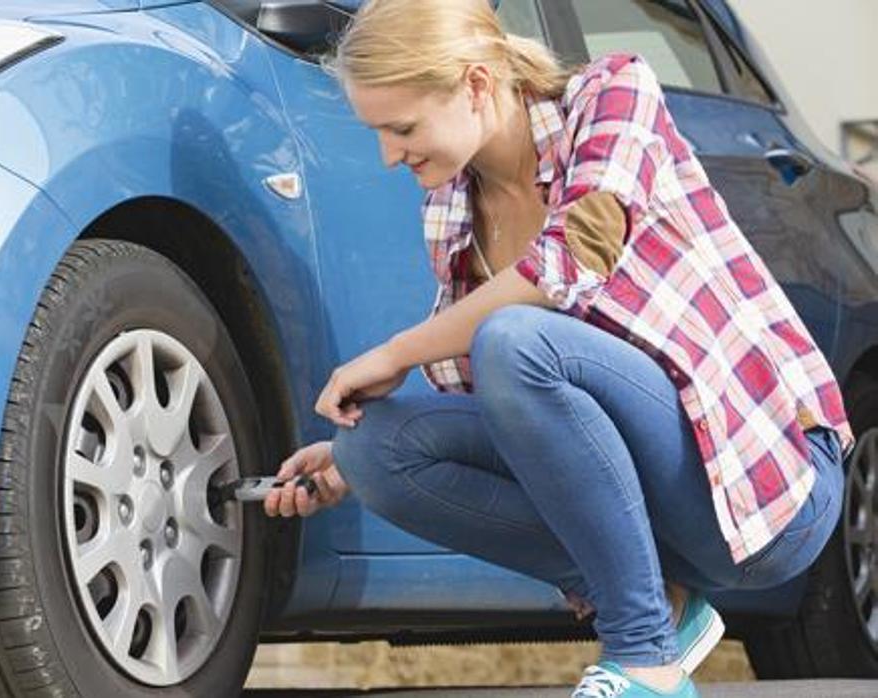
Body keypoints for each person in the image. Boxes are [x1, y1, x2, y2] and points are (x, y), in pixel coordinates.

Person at [262, 1, 855, 696]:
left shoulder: (612, 96)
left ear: (477, 85)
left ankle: (645, 660)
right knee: (374, 451)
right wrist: (348, 464)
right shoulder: (451, 207)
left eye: (402, 128)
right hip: (649, 495)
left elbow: (573, 259)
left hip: (766, 483)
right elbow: (511, 411)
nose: (390, 155)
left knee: (517, 341)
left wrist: (395, 353)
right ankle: (662, 607)